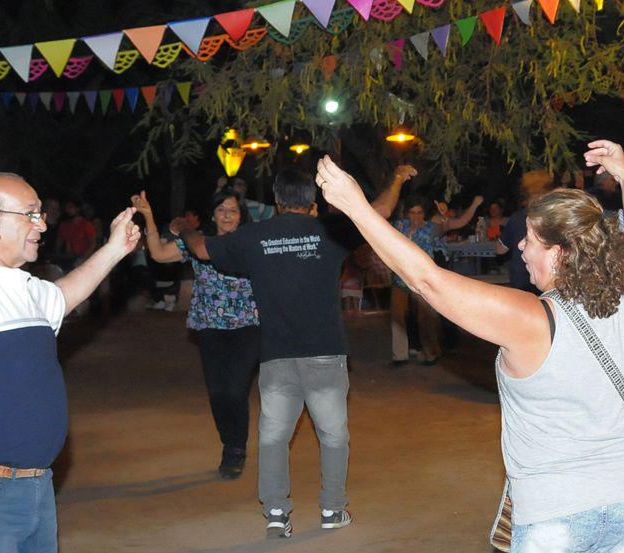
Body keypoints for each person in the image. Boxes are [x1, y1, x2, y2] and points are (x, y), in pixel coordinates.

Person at [315, 140, 624, 552]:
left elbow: (428, 281)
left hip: (557, 510)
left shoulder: (532, 319)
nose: (520, 247)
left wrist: (357, 208)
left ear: (560, 254)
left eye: (530, 240)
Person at [0, 171, 139, 552]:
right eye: (31, 214)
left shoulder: (27, 289)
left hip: (35, 486)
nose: (43, 224)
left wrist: (115, 248)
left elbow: (65, 295)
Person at [179, 166, 406, 538]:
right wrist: (395, 179)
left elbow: (202, 248)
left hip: (277, 355)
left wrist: (183, 229)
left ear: (277, 199)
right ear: (312, 201)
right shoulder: (330, 231)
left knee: (273, 438)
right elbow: (378, 211)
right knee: (333, 436)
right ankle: (333, 509)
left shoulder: (254, 236)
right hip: (325, 354)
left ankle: (275, 514)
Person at [131, 189, 260, 479]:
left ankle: (236, 450)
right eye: (222, 210)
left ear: (241, 215)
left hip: (247, 326)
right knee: (217, 392)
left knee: (235, 390)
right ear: (213, 215)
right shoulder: (199, 241)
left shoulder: (250, 241)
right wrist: (149, 216)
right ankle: (229, 443)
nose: (227, 215)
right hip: (210, 326)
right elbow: (159, 253)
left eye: (233, 210)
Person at [390, 190, 482, 365]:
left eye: (419, 213)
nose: (415, 217)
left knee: (426, 318)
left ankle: (431, 353)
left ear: (424, 214)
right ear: (407, 213)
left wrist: (475, 205)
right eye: (412, 213)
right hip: (400, 279)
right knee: (397, 317)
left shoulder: (431, 228)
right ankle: (399, 356)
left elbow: (459, 222)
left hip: (422, 280)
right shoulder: (399, 226)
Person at [497, 170, 554, 293]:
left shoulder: (517, 218)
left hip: (522, 281)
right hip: (548, 279)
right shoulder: (555, 217)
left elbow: (500, 250)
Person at [56, 198, 98, 272]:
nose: (67, 210)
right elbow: (59, 242)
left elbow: (93, 243)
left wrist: (83, 259)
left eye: (70, 207)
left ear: (78, 209)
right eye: (66, 208)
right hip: (66, 260)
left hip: (81, 259)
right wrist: (57, 255)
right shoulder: (64, 225)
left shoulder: (86, 225)